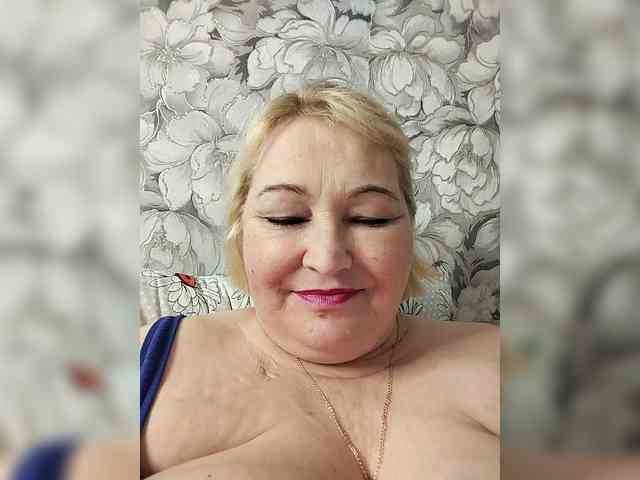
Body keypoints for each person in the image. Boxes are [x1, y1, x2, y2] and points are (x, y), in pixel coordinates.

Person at [139, 81, 500, 479]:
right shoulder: (138, 367)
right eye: (286, 218)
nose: (327, 259)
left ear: (409, 233)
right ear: (241, 235)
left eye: (370, 218)